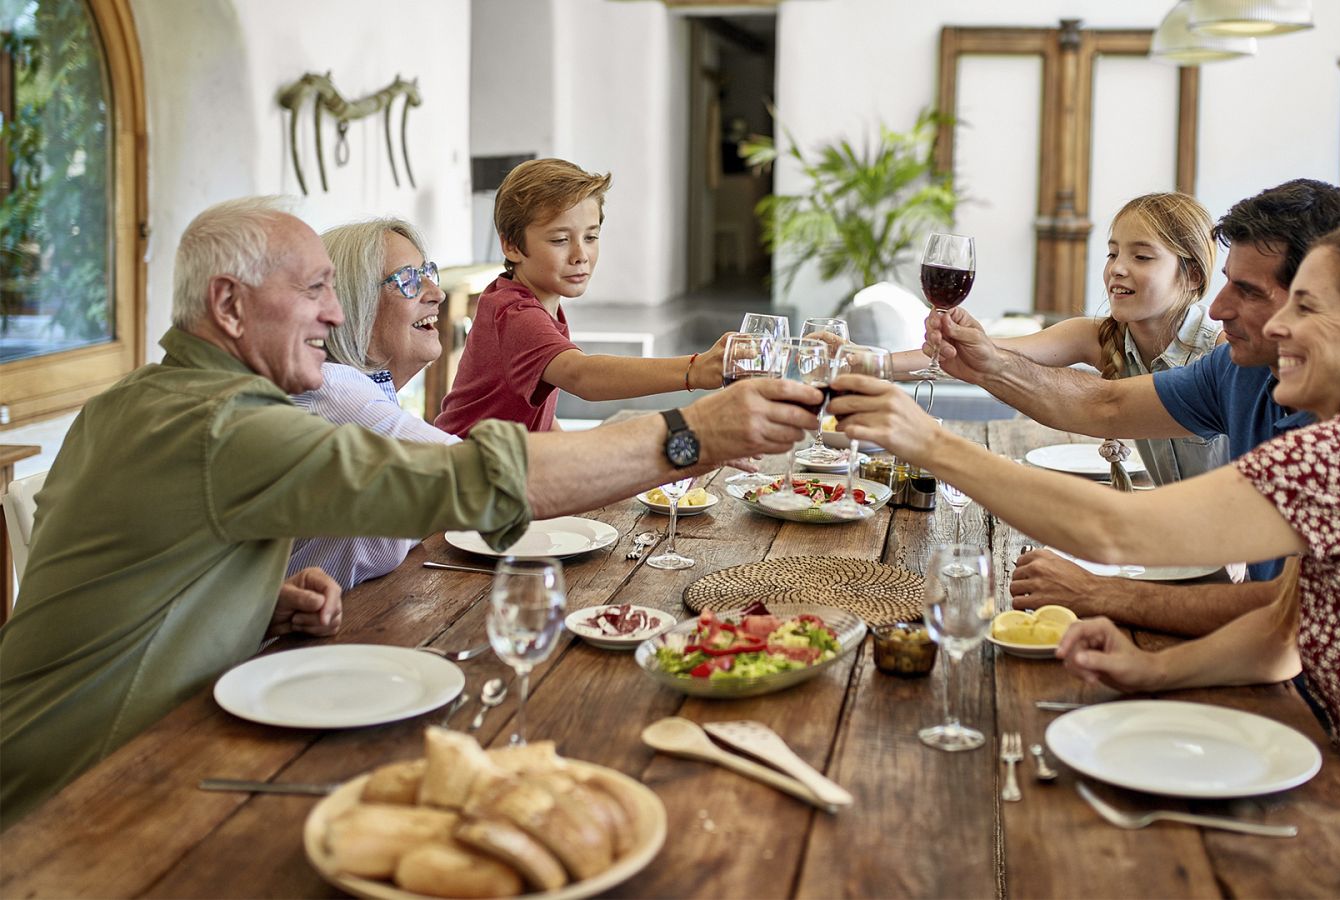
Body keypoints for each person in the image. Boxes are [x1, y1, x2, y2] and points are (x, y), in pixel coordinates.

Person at [0, 197, 821, 828]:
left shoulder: (139, 400)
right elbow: (471, 479)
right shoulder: (228, 425)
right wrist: (693, 433)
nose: (335, 314)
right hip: (80, 798)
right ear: (229, 304)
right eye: (316, 291)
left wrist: (243, 597)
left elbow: (125, 567)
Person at [832, 223, 1340, 899]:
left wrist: (930, 443)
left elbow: (1114, 531)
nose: (1276, 325)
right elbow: (1284, 630)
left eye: (1306, 307)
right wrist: (1153, 671)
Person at [932, 179, 1340, 635]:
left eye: (1249, 291)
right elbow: (1106, 405)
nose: (1218, 308)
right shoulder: (1239, 369)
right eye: (1227, 282)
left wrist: (931, 446)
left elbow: (1284, 612)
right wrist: (988, 367)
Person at [890, 192, 1226, 486]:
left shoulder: (1222, 352)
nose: (1117, 268)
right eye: (1112, 254)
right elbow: (975, 353)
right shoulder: (1101, 335)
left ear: (1193, 275)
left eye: (1141, 257)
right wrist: (869, 363)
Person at [436, 158, 728, 436]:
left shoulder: (538, 304)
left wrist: (575, 451)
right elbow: (581, 376)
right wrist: (695, 369)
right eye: (560, 240)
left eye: (590, 237)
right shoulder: (514, 314)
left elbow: (535, 412)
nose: (580, 255)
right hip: (467, 468)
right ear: (511, 246)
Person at [287, 218, 459, 590]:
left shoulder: (360, 391)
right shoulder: (331, 389)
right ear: (352, 304)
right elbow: (475, 472)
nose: (436, 293)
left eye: (427, 273)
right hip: (289, 631)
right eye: (407, 279)